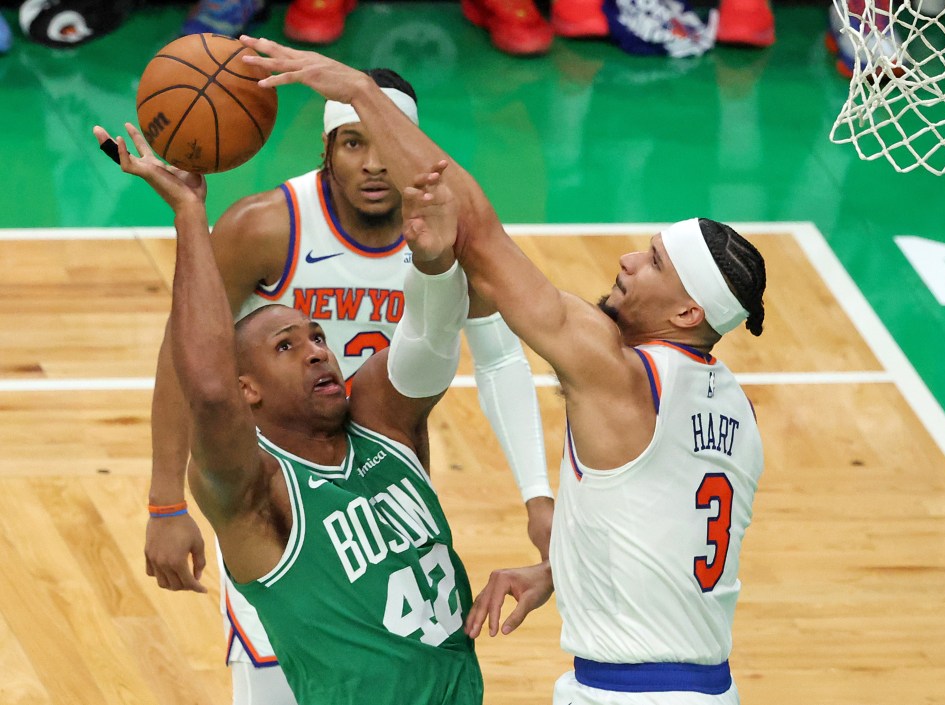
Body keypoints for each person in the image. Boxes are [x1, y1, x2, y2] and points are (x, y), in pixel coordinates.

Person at [236, 36, 767, 704]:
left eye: (655, 262)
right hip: (708, 686)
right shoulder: (736, 411)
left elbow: (478, 235)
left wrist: (364, 95)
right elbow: (665, 534)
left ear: (689, 310)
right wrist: (560, 571)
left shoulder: (621, 376)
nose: (630, 261)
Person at [101, 68, 552, 705]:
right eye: (351, 143)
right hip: (280, 493)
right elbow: (196, 368)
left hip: (381, 467)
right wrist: (165, 499)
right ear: (327, 150)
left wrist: (537, 494)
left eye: (385, 143)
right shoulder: (266, 226)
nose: (373, 165)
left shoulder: (446, 240)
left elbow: (483, 351)